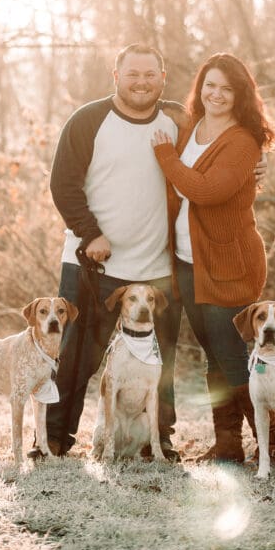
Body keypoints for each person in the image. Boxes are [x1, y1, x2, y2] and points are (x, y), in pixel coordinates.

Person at [28, 43, 185, 460]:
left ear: (162, 79)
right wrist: (89, 232)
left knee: (159, 362)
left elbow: (213, 153)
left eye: (150, 74)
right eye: (132, 74)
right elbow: (62, 184)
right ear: (116, 77)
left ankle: (158, 441)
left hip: (155, 270)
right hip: (92, 263)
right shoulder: (88, 121)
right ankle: (54, 441)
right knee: (75, 357)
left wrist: (257, 164)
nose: (141, 82)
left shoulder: (176, 123)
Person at [151, 52, 275, 464]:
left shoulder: (244, 141)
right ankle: (228, 446)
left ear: (241, 94)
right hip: (191, 263)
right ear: (200, 87)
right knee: (213, 354)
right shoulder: (192, 126)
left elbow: (208, 191)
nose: (217, 94)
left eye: (227, 88)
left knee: (231, 355)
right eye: (210, 85)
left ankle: (271, 445)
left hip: (229, 264)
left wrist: (167, 159)